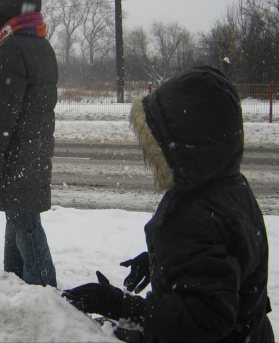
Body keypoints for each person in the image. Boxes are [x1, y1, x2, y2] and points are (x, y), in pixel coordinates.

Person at [62, 66, 274, 342]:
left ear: (187, 143)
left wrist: (120, 306)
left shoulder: (196, 212)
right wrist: (159, 262)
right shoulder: (226, 184)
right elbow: (224, 258)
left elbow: (207, 319)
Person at [0, 0, 58, 287]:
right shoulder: (41, 44)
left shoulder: (12, 47)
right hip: (34, 148)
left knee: (25, 224)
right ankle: (12, 281)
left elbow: (4, 112)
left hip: (17, 152)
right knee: (17, 217)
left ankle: (42, 290)